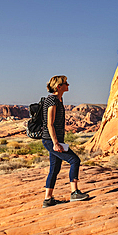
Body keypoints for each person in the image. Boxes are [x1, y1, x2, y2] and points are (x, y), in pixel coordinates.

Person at [40, 75, 91, 207]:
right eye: (65, 83)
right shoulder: (52, 100)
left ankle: (48, 199)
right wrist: (56, 143)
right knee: (75, 160)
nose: (68, 85)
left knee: (54, 168)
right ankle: (74, 193)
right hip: (51, 140)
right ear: (59, 86)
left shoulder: (59, 99)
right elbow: (49, 124)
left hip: (54, 140)